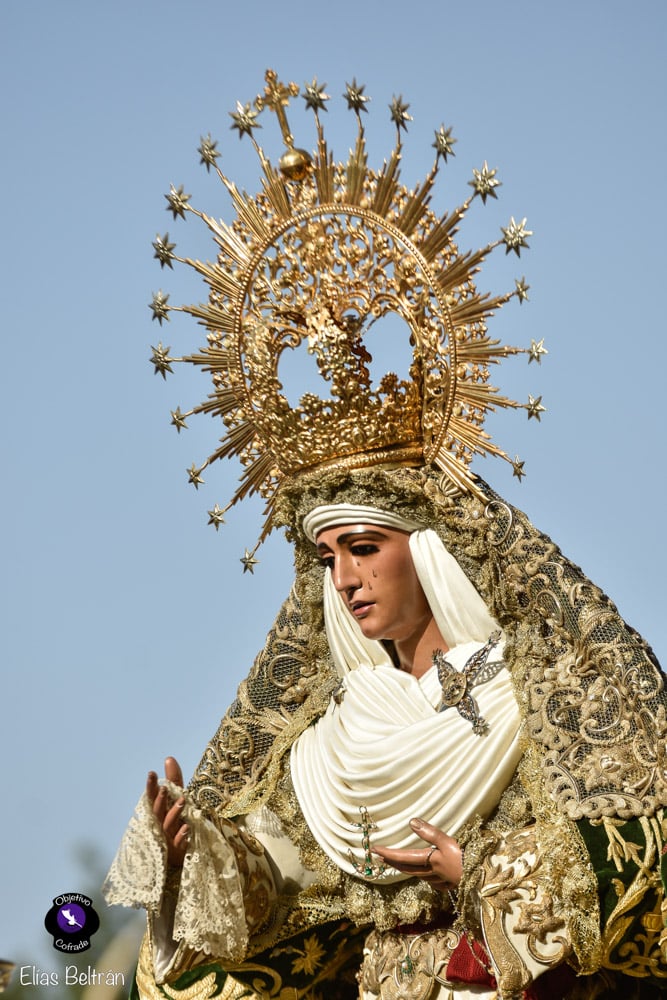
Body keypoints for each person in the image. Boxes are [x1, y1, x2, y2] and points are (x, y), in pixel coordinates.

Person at [105, 72, 667, 997]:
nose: (343, 580)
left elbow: (642, 845)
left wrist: (483, 875)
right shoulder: (336, 733)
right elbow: (282, 896)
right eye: (327, 558)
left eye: (364, 548)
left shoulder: (540, 686)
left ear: (431, 552)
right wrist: (192, 855)